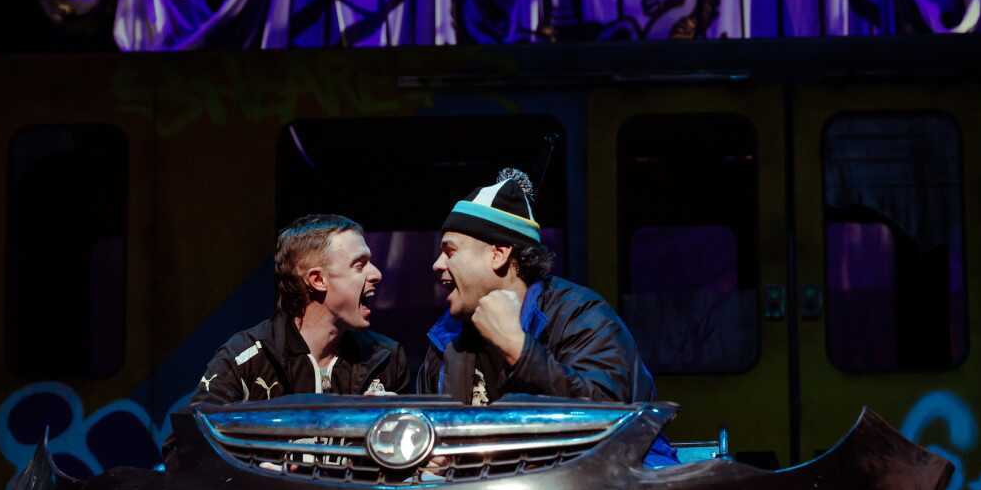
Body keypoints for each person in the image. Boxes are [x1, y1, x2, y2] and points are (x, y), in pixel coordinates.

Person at [418, 168, 667, 427]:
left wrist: (519, 349)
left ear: (498, 254)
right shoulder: (446, 338)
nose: (437, 264)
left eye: (450, 251)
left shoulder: (579, 316)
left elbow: (610, 416)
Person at [182, 214, 408, 410]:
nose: (376, 274)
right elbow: (189, 441)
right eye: (359, 265)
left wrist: (391, 424)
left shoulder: (386, 359)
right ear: (318, 280)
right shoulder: (246, 358)